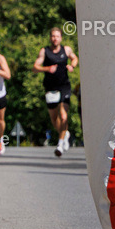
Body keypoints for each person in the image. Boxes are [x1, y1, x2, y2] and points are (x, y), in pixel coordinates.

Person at [33, 27, 78, 157]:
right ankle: (65, 134)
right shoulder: (44, 51)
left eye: (57, 36)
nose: (55, 38)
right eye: (53, 36)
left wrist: (72, 66)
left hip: (64, 86)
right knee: (54, 118)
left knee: (63, 115)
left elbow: (74, 58)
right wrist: (47, 69)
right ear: (50, 38)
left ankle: (60, 144)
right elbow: (35, 67)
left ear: (61, 38)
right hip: (50, 88)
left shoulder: (66, 49)